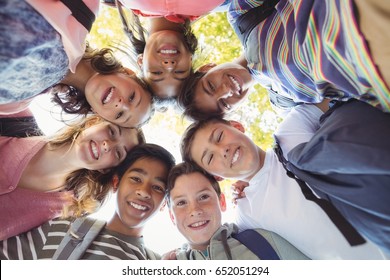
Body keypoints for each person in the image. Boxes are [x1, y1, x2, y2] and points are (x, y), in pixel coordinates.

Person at [180, 101, 390, 259]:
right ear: (217, 176)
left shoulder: (290, 133)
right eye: (210, 157)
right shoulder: (247, 213)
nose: (222, 150)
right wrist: (179, 255)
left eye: (219, 137)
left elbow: (334, 93)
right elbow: (216, 244)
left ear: (237, 126)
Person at [179, 0, 390, 121]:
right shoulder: (282, 101)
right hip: (375, 77)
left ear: (208, 67)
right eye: (224, 104)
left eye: (211, 86)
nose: (226, 91)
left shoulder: (242, 15)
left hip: (354, 13)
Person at [0, 143, 176, 260]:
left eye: (158, 188)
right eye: (136, 179)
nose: (144, 192)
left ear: (164, 204)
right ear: (116, 183)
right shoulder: (64, 228)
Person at [0, 115, 145, 240]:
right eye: (112, 131)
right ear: (93, 121)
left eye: (119, 153)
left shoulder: (64, 214)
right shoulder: (16, 117)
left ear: (106, 169)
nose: (107, 145)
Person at [164, 162, 309, 260]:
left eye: (203, 197)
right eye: (181, 202)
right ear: (172, 217)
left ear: (221, 202)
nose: (194, 210)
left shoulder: (263, 241)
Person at [0, 41, 154, 128]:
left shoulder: (16, 102)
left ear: (98, 114)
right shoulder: (78, 17)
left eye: (119, 115)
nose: (122, 105)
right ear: (127, 72)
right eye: (132, 97)